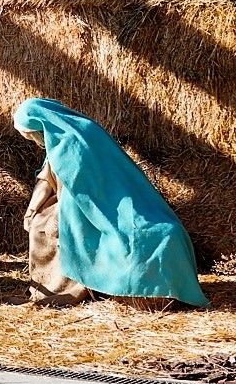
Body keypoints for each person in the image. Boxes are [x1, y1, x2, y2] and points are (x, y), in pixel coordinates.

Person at [14, 97, 208, 307]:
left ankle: (80, 286)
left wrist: (49, 212)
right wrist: (32, 210)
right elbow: (47, 177)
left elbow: (80, 189)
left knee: (57, 229)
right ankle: (56, 285)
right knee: (41, 226)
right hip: (85, 204)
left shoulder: (73, 141)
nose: (35, 140)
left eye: (32, 135)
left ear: (42, 125)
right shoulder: (64, 136)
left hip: (101, 206)